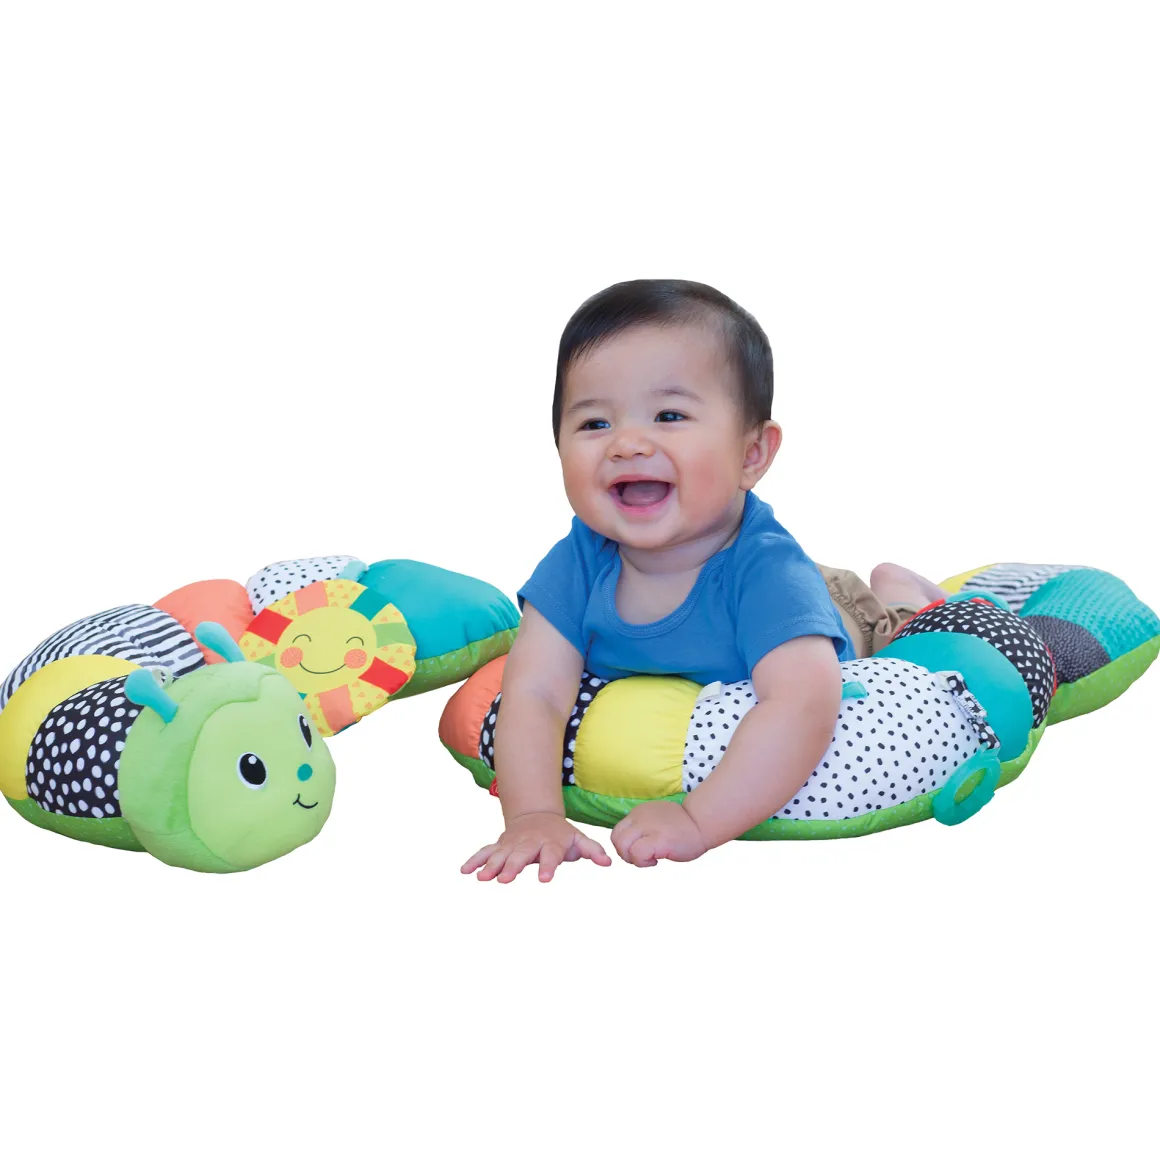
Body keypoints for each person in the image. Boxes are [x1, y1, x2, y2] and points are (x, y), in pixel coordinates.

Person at [462, 279, 947, 882]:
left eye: (669, 415)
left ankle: (901, 590)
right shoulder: (577, 562)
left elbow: (803, 703)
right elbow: (534, 692)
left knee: (894, 629)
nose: (626, 444)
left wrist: (699, 818)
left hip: (834, 606)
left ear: (751, 454)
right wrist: (533, 815)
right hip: (767, 607)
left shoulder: (769, 573)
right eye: (593, 422)